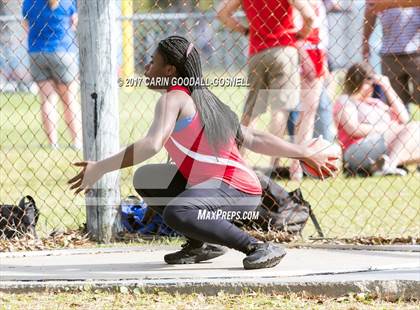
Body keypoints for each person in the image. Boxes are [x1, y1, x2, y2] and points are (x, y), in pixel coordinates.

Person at [68, 36, 337, 270]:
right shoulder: (201, 97)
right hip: (236, 189)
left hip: (235, 190)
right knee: (148, 178)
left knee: (178, 212)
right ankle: (203, 245)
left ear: (170, 70)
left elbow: (152, 144)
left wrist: (100, 167)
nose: (147, 67)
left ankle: (257, 247)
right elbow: (253, 137)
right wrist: (302, 151)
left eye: (153, 62)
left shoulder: (172, 99)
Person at [217, 0, 316, 169]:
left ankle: (237, 161)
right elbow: (309, 16)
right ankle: (274, 165)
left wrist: (244, 30)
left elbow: (222, 13)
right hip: (285, 49)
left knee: (251, 112)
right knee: (280, 110)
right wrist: (302, 33)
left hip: (257, 51)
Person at [333, 63, 420, 176]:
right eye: (369, 83)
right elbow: (353, 129)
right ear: (358, 82)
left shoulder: (375, 103)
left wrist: (387, 87)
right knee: (414, 127)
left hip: (386, 143)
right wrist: (388, 128)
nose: (373, 87)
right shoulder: (346, 100)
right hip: (356, 148)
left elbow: (404, 118)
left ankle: (382, 166)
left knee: (415, 128)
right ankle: (391, 165)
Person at [22, 0, 82, 149]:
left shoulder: (29, 2)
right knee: (70, 100)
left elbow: (26, 26)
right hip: (63, 50)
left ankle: (53, 143)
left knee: (47, 99)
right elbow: (74, 23)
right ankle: (77, 142)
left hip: (37, 51)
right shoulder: (68, 1)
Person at [289, 0, 329, 181]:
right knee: (304, 114)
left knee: (309, 113)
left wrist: (324, 61)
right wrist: (305, 60)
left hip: (317, 52)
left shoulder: (318, 3)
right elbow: (293, 33)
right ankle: (296, 165)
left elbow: (322, 33)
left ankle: (300, 162)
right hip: (302, 55)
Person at [363, 4, 419, 110]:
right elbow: (370, 11)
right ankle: (404, 124)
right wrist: (365, 40)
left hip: (415, 52)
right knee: (395, 100)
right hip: (390, 53)